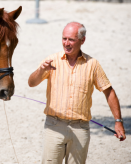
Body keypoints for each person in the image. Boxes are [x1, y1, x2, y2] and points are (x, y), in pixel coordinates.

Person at [28, 22, 126, 164]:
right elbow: (31, 83)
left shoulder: (93, 64)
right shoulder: (51, 60)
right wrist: (41, 70)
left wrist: (118, 121)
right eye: (64, 38)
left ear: (82, 40)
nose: (66, 43)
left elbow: (109, 92)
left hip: (80, 128)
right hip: (54, 126)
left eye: (71, 40)